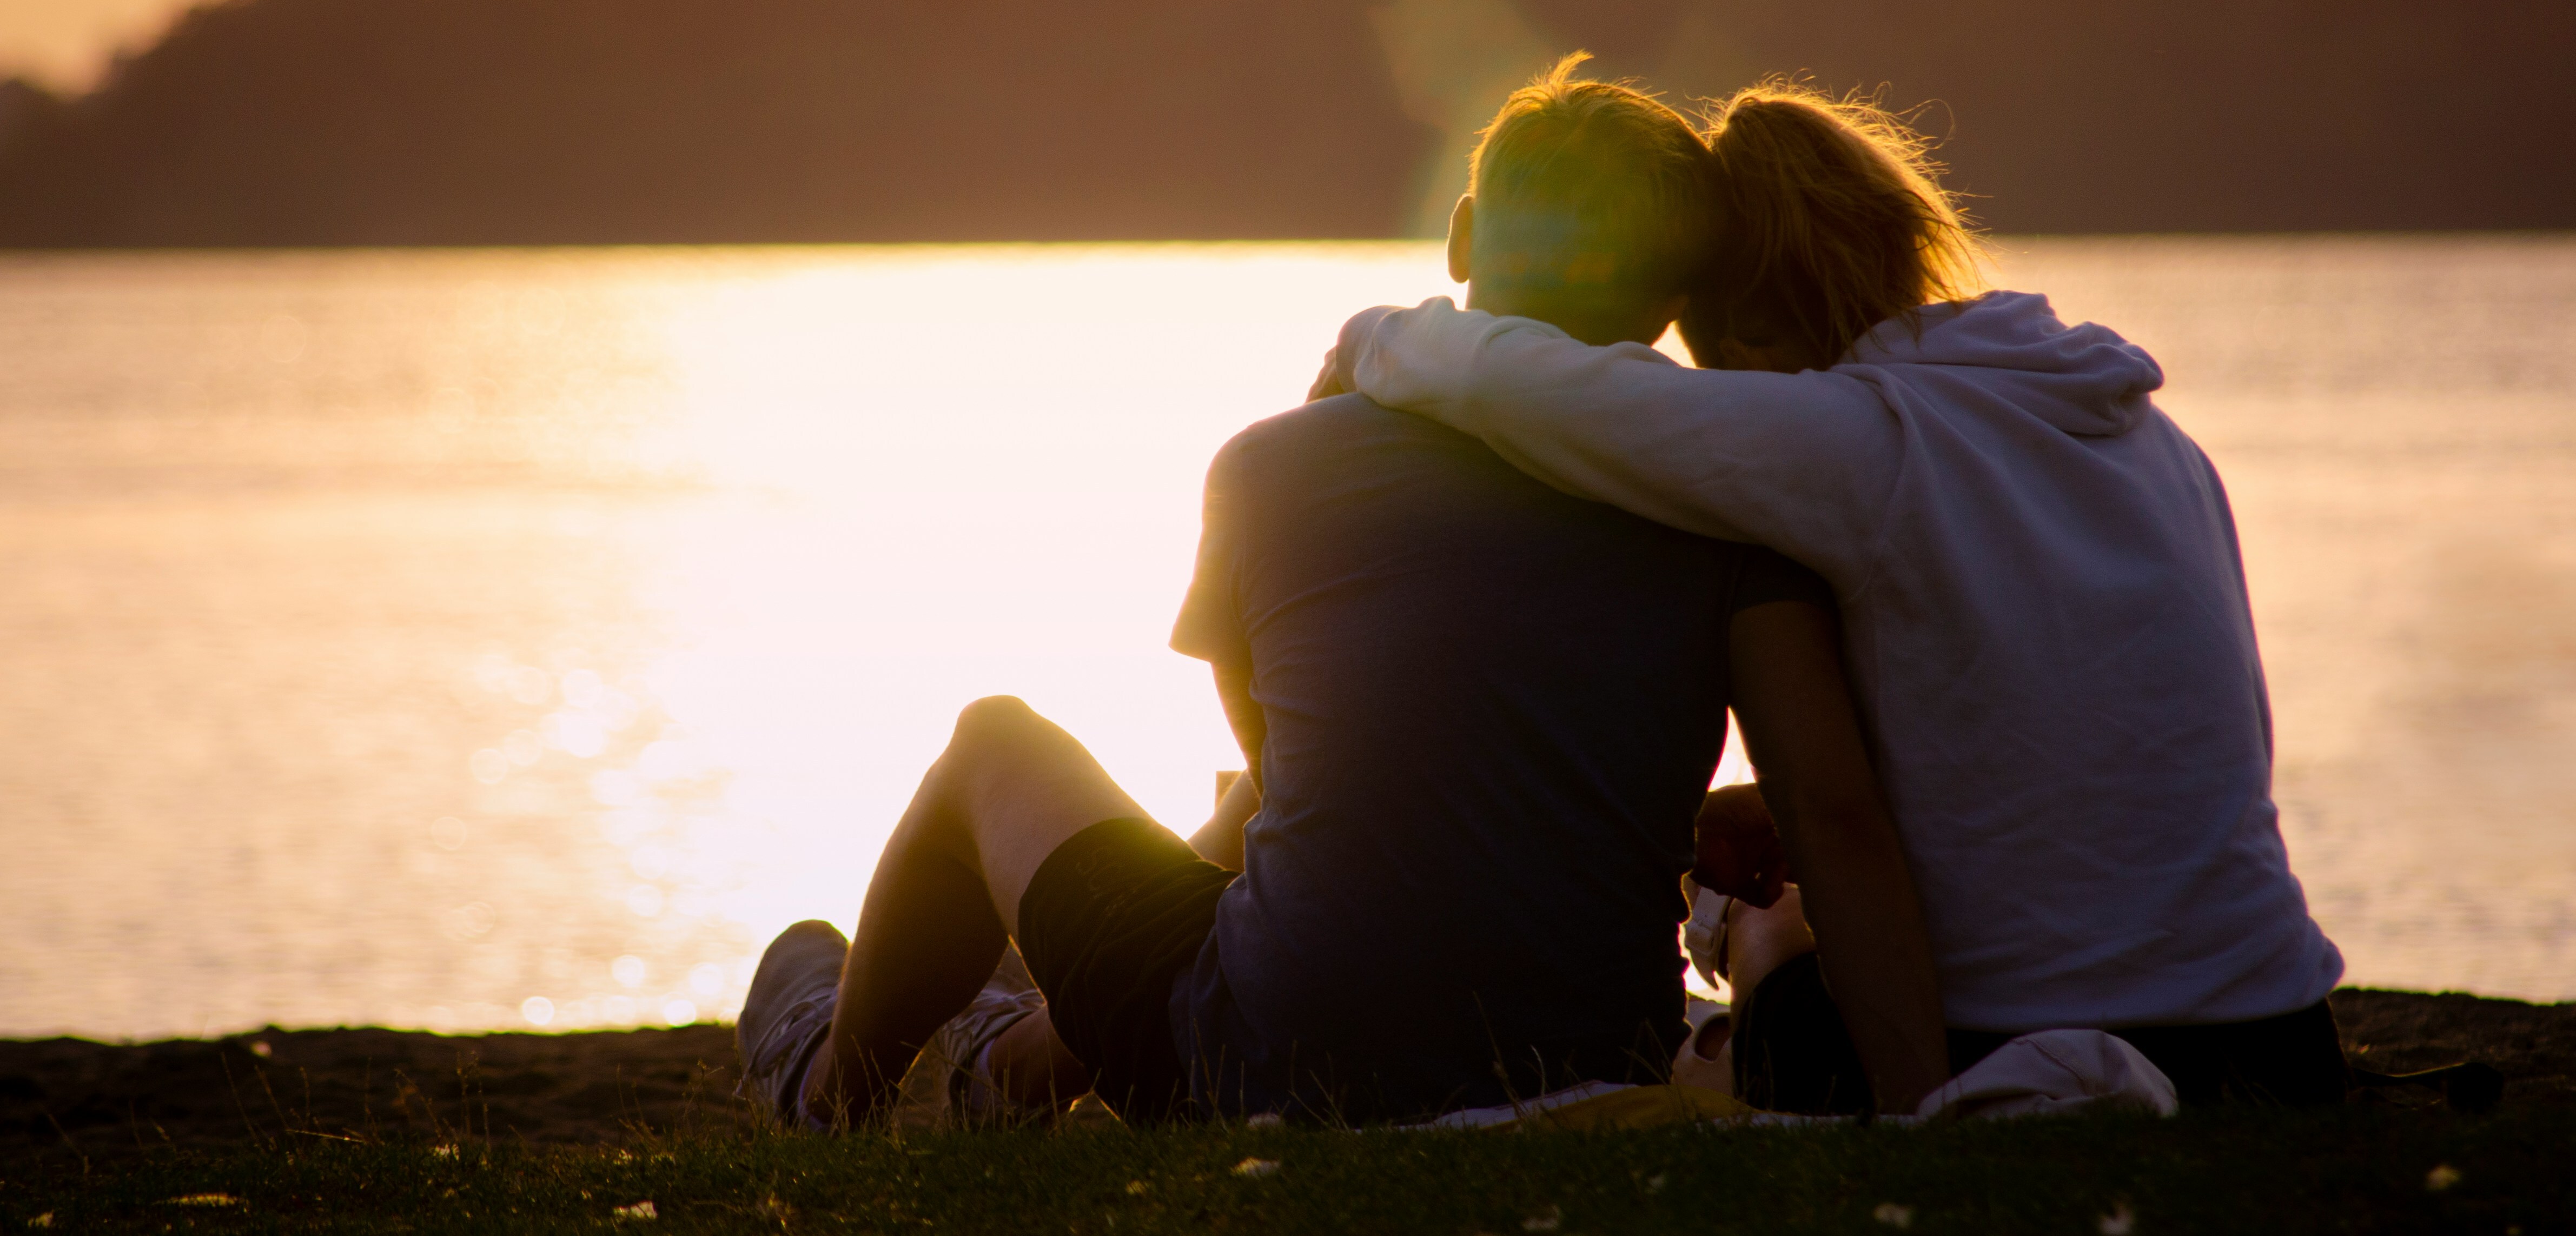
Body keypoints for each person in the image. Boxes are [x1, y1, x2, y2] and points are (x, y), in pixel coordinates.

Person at [737, 62, 1949, 1127]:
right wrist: (1922, 1111)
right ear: (1677, 297)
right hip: (1591, 1053)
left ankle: (831, 1089)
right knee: (1233, 880)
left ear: (1466, 237)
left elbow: (1297, 770)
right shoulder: (1733, 502)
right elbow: (1830, 810)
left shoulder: (1272, 465)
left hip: (1272, 1069)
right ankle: (1008, 1063)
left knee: (993, 744)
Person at [1320, 73, 2350, 1109]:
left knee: (1768, 927)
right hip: (2281, 1039)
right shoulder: (2146, 433)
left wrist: (1375, 338)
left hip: (2019, 1040)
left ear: (1750, 327)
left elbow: (1538, 390)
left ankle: (1758, 955)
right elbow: (2103, 738)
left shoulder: (1856, 438)